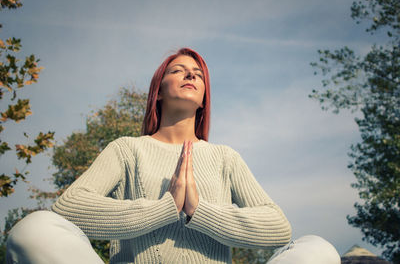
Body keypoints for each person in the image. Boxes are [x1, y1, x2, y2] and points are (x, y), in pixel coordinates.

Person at [6, 48, 340, 264]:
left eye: (197, 72)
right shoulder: (127, 149)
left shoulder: (226, 157)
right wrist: (166, 208)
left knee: (318, 250)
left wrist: (198, 211)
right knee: (32, 229)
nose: (190, 74)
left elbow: (278, 228)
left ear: (204, 98)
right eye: (177, 70)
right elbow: (69, 208)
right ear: (159, 92)